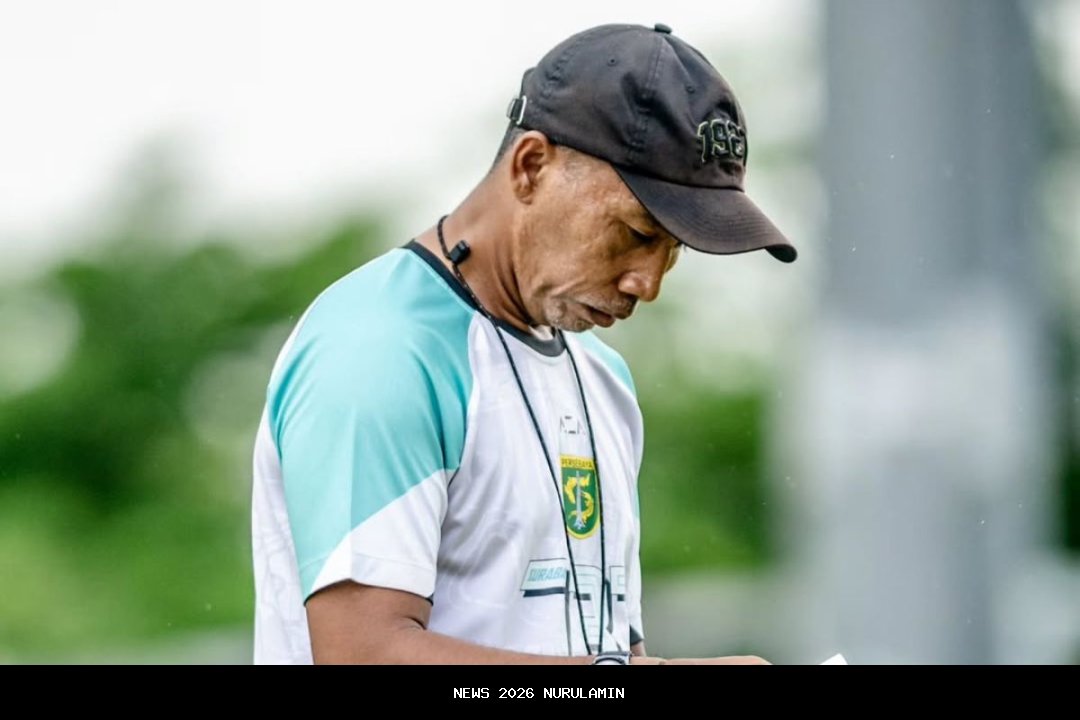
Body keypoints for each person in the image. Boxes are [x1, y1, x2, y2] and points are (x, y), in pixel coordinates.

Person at [251, 22, 796, 665]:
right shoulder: (381, 351)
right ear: (532, 166)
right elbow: (361, 658)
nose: (648, 283)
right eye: (636, 233)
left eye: (674, 249)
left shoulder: (604, 378)